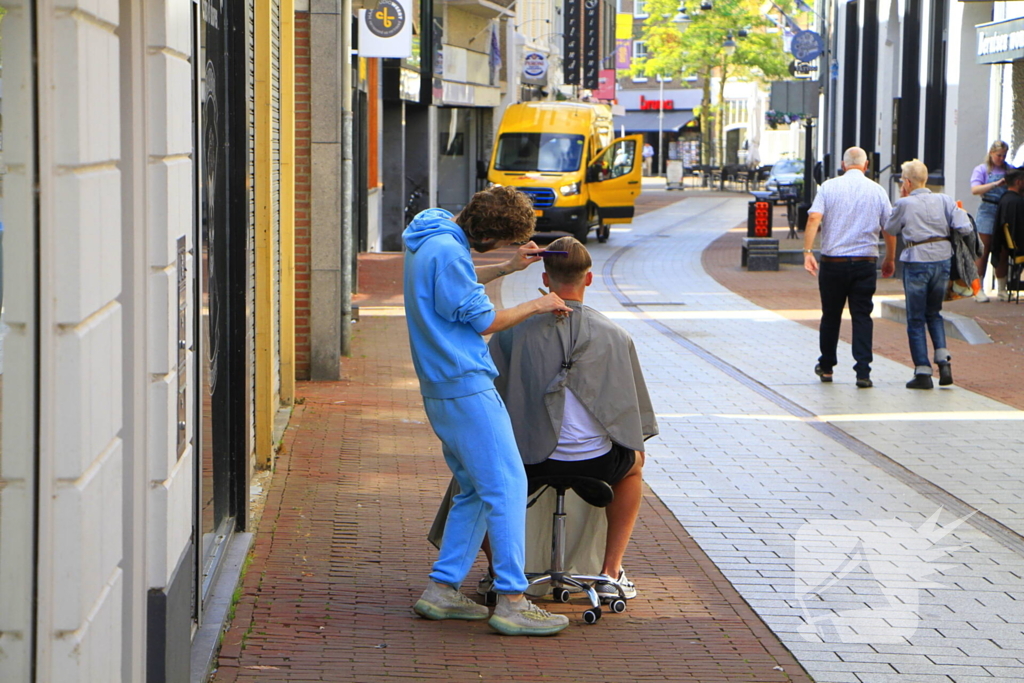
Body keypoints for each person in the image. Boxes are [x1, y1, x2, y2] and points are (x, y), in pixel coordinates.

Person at [404, 186, 574, 637]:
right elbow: (485, 321)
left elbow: (451, 294)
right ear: (488, 235)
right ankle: (513, 599)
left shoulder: (433, 235)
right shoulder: (449, 253)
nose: (502, 251)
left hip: (443, 385)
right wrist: (539, 302)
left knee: (476, 490)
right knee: (507, 484)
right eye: (502, 244)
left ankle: (442, 589)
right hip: (465, 384)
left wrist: (506, 268)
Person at [487, 236, 659, 599]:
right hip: (597, 465)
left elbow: (492, 402)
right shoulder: (616, 336)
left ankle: (499, 572)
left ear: (545, 279)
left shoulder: (513, 330)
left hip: (529, 463)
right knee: (635, 464)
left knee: (475, 475)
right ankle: (611, 573)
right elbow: (635, 425)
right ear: (589, 279)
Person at [803, 147, 896, 388]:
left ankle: (826, 366)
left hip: (833, 262)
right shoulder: (877, 191)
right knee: (862, 315)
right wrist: (890, 258)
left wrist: (808, 251)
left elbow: (814, 218)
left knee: (831, 315)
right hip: (865, 261)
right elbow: (889, 227)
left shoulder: (828, 187)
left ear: (843, 165)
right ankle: (863, 371)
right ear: (866, 166)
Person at [884, 160, 974, 389]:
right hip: (942, 260)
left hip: (916, 260)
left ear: (906, 182)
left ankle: (922, 371)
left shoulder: (904, 203)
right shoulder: (945, 199)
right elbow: (965, 226)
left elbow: (890, 228)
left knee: (915, 318)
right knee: (934, 313)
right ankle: (943, 362)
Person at [970, 140, 1012, 302]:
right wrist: (995, 184)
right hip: (987, 209)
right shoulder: (982, 170)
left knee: (1002, 249)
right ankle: (977, 288)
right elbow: (975, 189)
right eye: (998, 155)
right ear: (991, 154)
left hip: (1004, 210)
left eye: (1004, 156)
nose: (1001, 159)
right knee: (983, 249)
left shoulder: (1009, 170)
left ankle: (1002, 288)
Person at [990, 168, 1024, 298]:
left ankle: (1001, 289)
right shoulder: (1018, 202)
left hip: (1010, 244)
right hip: (1020, 246)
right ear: (1018, 182)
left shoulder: (1004, 199)